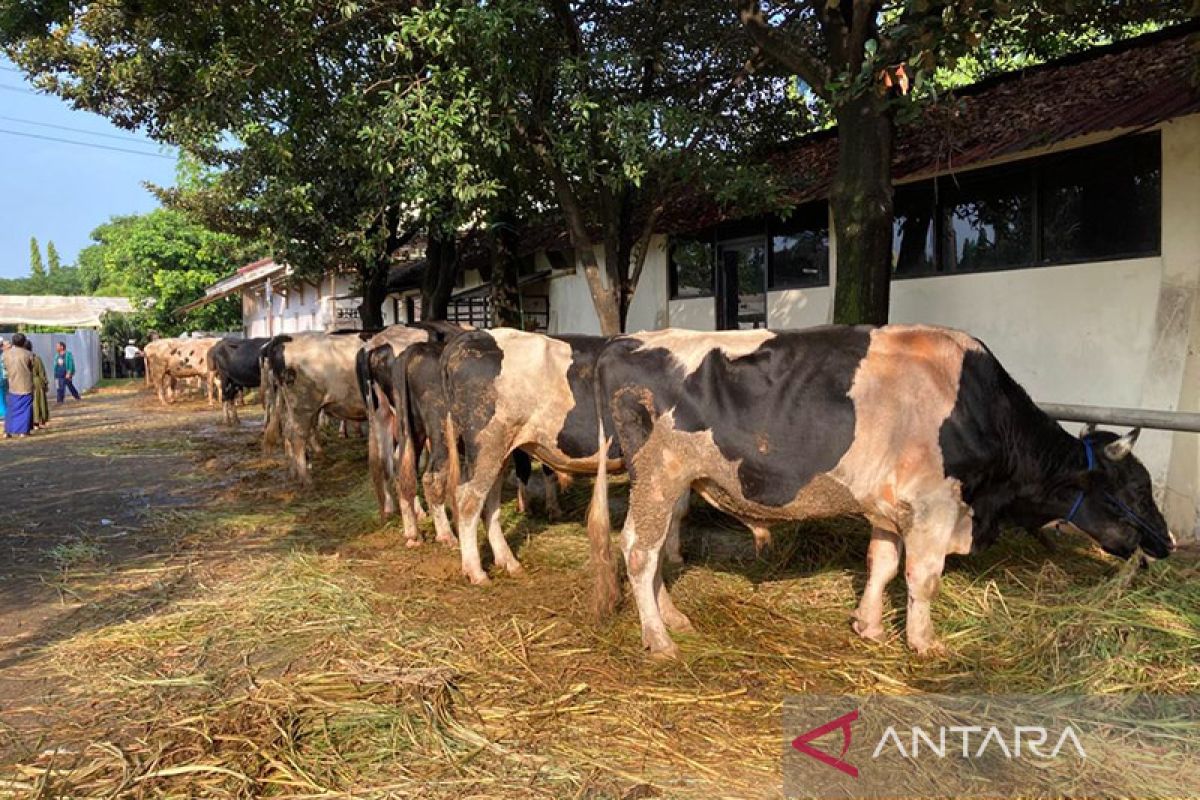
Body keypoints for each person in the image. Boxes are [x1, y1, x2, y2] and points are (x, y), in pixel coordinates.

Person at [3, 333, 36, 437]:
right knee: (25, 409)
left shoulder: (6, 354)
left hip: (12, 384)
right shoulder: (29, 354)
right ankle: (23, 431)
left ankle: (8, 431)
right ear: (23, 342)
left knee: (11, 409)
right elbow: (33, 368)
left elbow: (5, 368)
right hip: (25, 385)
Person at [23, 339, 50, 429]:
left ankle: (31, 422)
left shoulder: (22, 359)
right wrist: (45, 383)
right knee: (38, 402)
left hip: (25, 382)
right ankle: (37, 421)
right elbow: (42, 372)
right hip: (37, 382)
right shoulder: (36, 358)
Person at [0, 337, 8, 422]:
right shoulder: (4, 354)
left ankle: (5, 414)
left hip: (2, 379)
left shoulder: (3, 355)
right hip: (3, 379)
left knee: (2, 398)